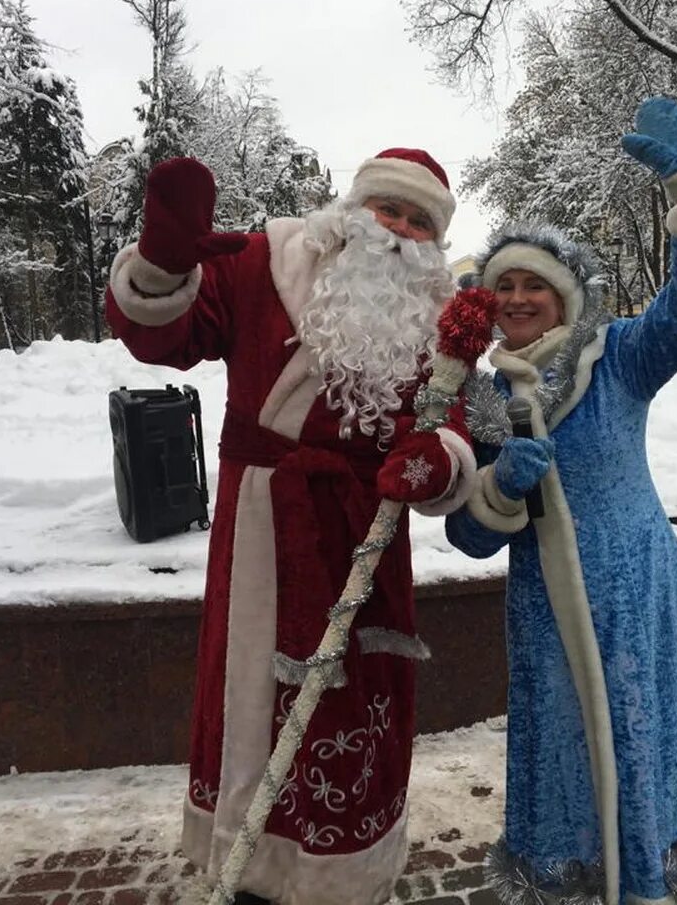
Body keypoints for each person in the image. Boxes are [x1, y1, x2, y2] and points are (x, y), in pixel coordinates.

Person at [106, 148, 478, 905]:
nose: (399, 230)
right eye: (388, 209)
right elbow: (164, 337)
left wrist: (437, 462)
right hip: (262, 532)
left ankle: (341, 873)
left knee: (348, 710)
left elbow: (456, 424)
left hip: (360, 543)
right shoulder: (262, 262)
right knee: (251, 702)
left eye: (418, 221)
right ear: (353, 208)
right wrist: (161, 261)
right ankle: (252, 871)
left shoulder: (442, 319)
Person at [445, 98, 677, 905]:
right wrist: (498, 488)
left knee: (657, 747)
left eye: (536, 286)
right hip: (547, 624)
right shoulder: (481, 400)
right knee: (565, 769)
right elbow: (468, 536)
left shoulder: (619, 357)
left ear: (564, 297)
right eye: (505, 287)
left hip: (640, 603)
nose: (519, 299)